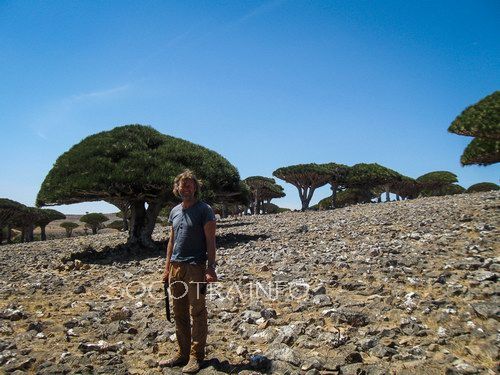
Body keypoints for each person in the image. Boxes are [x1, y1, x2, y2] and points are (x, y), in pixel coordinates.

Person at [162, 170, 217, 374]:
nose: (186, 188)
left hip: (196, 267)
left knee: (198, 312)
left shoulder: (205, 210)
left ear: (195, 188)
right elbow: (172, 241)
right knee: (179, 312)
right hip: (176, 267)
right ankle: (182, 353)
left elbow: (211, 241)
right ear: (177, 188)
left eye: (189, 185)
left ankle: (196, 356)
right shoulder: (175, 211)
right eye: (182, 185)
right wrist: (167, 268)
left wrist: (211, 268)